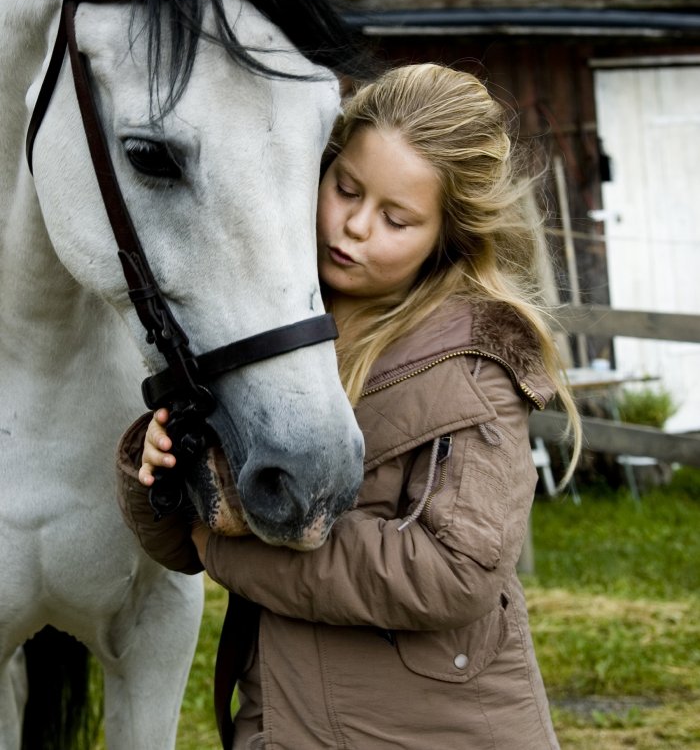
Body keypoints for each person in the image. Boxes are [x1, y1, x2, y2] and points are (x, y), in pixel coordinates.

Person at [117, 62, 581, 750]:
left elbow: (456, 571)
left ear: (445, 236)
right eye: (346, 189)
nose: (356, 226)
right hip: (282, 719)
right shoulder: (263, 333)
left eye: (397, 218)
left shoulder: (473, 360)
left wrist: (230, 546)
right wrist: (154, 466)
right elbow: (181, 538)